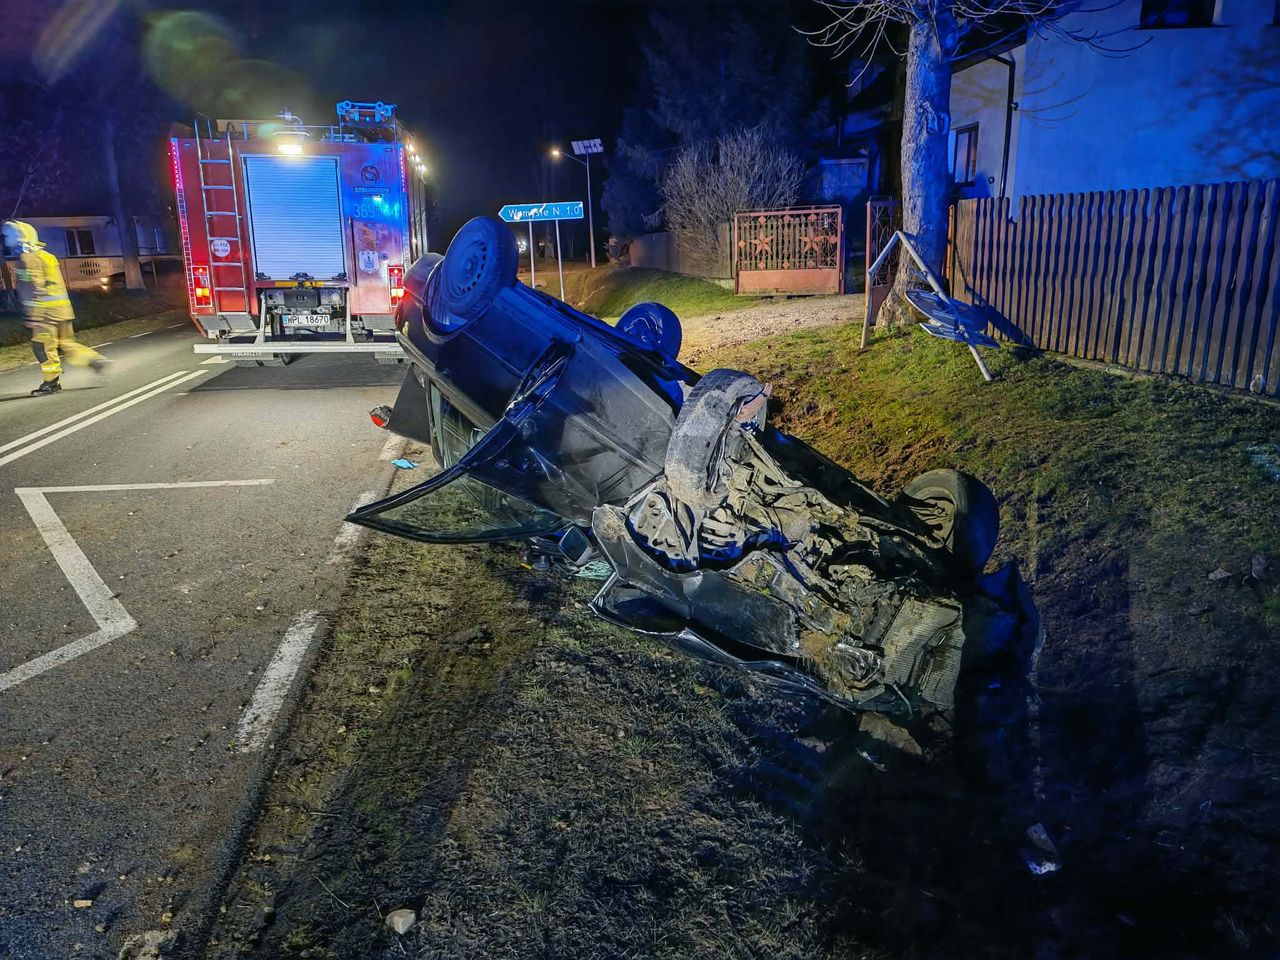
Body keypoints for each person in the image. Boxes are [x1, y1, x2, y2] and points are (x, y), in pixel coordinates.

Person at [2, 220, 107, 396]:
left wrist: (34, 316)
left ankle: (51, 382)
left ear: (17, 238)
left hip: (44, 315)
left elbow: (33, 288)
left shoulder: (27, 260)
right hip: (62, 310)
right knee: (66, 343)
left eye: (7, 237)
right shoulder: (47, 256)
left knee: (42, 347)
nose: (5, 241)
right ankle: (94, 360)